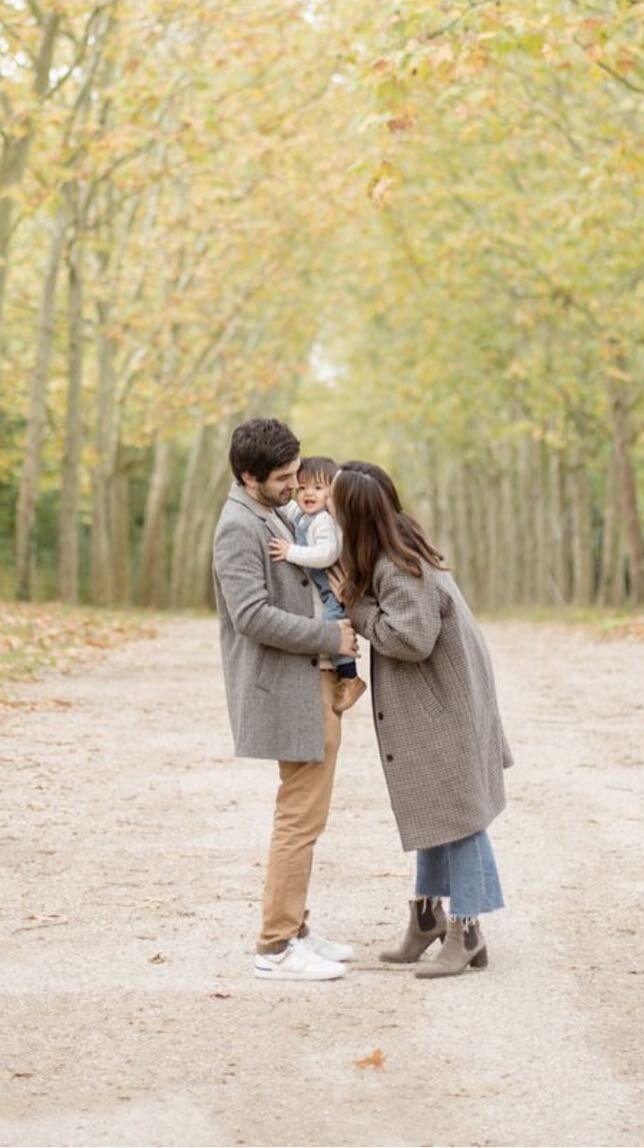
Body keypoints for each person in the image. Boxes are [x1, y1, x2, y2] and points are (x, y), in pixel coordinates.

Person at [326, 460, 513, 979]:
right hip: (444, 706)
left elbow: (412, 639)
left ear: (354, 515)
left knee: (459, 817)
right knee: (436, 809)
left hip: (444, 710)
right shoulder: (396, 547)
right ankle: (427, 916)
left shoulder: (396, 566)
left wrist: (355, 608)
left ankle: (467, 928)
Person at [212, 418, 362, 981]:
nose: (294, 484)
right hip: (285, 686)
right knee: (299, 817)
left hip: (310, 680)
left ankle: (296, 926)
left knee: (309, 814)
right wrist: (330, 636)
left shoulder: (269, 512)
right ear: (249, 476)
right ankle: (276, 945)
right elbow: (249, 615)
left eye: (297, 472)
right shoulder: (237, 526)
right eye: (282, 477)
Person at [268, 455, 367, 714]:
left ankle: (350, 677)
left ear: (331, 494)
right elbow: (283, 507)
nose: (308, 493)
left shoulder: (323, 521)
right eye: (302, 488)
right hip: (322, 589)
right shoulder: (302, 514)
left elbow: (326, 554)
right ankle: (346, 676)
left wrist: (290, 552)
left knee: (334, 627)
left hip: (333, 590)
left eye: (318, 488)